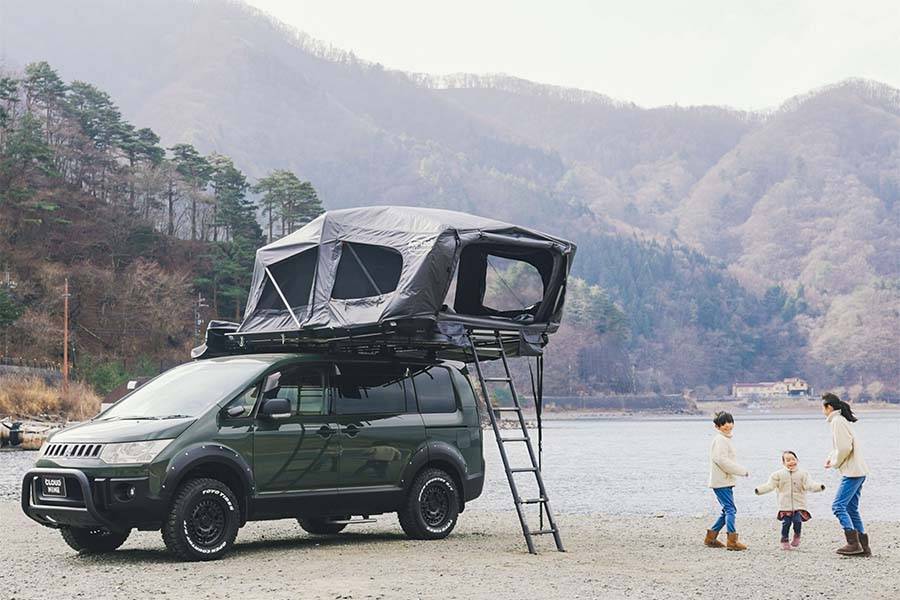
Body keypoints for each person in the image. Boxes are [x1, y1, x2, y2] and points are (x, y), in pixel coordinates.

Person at [822, 393, 871, 556]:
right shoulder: (841, 420)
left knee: (838, 506)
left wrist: (835, 462)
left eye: (823, 407)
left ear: (829, 407)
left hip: (852, 472)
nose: (822, 411)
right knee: (851, 507)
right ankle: (864, 547)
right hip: (858, 470)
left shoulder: (837, 422)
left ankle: (853, 543)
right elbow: (841, 448)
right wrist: (831, 458)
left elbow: (844, 448)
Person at [754, 451, 825, 550]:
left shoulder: (803, 474)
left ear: (797, 460)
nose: (791, 462)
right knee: (786, 523)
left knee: (797, 521)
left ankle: (797, 535)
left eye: (793, 459)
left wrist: (819, 487)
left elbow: (809, 485)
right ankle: (784, 539)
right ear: (783, 463)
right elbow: (770, 486)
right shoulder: (778, 475)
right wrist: (759, 490)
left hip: (799, 504)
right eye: (788, 460)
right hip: (784, 505)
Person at [704, 411, 750, 551]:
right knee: (731, 510)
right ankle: (732, 541)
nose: (727, 425)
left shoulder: (725, 439)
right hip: (721, 481)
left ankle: (711, 538)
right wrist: (741, 470)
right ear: (717, 426)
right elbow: (721, 460)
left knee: (727, 510)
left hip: (724, 480)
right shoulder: (720, 440)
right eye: (723, 423)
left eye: (730, 422)